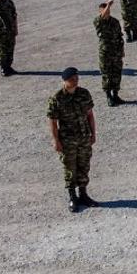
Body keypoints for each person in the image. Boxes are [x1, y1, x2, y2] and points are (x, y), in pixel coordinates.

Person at [47, 67, 97, 213]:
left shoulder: (84, 93)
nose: (75, 81)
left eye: (76, 78)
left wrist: (93, 134)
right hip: (67, 140)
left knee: (84, 165)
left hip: (84, 137)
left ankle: (83, 194)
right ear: (65, 81)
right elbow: (52, 121)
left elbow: (90, 115)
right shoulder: (56, 98)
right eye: (72, 79)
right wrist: (55, 140)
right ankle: (72, 197)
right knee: (70, 168)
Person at [95, 0, 126, 106]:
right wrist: (108, 5)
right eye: (104, 10)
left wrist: (122, 50)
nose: (107, 12)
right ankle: (108, 96)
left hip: (116, 52)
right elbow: (103, 16)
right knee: (107, 74)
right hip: (105, 53)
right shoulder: (98, 21)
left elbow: (119, 37)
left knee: (117, 73)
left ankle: (116, 95)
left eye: (108, 10)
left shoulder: (115, 22)